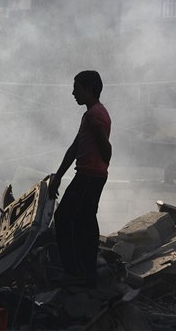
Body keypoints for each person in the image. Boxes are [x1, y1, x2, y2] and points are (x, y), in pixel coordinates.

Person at [48, 70, 112, 288]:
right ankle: (88, 273)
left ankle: (75, 271)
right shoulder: (92, 114)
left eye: (77, 88)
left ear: (89, 89)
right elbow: (75, 147)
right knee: (85, 220)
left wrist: (101, 163)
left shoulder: (94, 116)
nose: (73, 93)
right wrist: (59, 175)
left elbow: (106, 149)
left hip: (88, 176)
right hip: (90, 175)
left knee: (64, 218)